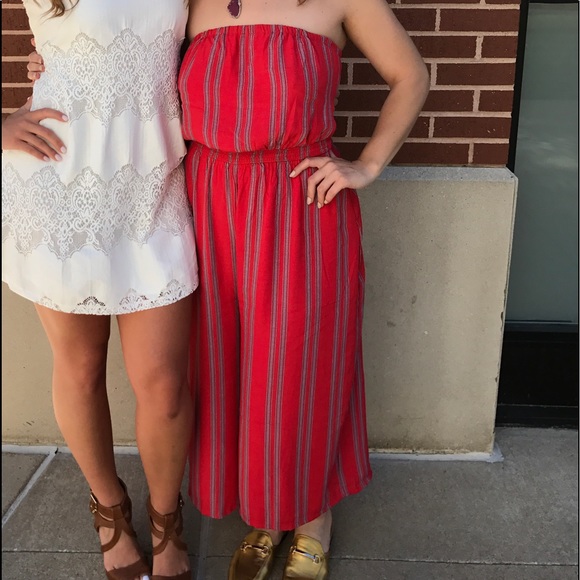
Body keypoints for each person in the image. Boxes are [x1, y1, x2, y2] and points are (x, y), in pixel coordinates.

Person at [178, 0, 430, 578]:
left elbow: (411, 75)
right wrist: (53, 61)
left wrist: (367, 165)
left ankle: (313, 516)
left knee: (296, 368)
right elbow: (128, 59)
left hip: (299, 203)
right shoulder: (189, 3)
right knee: (225, 366)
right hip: (209, 204)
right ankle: (267, 511)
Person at [2, 1, 197, 579]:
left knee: (164, 384)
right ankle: (110, 510)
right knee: (81, 367)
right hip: (63, 188)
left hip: (155, 190)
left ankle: (167, 519)